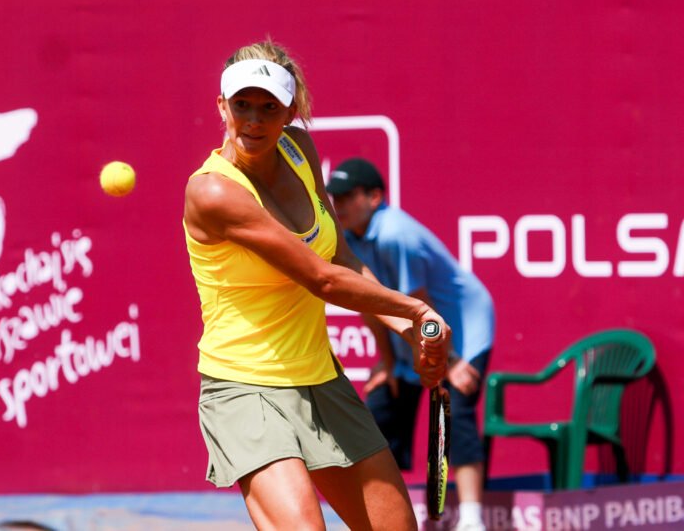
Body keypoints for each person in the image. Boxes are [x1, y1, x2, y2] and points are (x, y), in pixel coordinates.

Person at [183, 39, 451, 530]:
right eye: (242, 104)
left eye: (269, 107)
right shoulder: (213, 191)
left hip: (320, 378)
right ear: (222, 106)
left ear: (290, 112)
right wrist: (416, 311)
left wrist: (408, 330)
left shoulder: (298, 148)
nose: (254, 120)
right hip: (244, 386)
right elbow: (322, 279)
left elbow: (341, 258)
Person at [326, 158, 495, 531]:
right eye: (335, 198)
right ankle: (387, 514)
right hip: (417, 337)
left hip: (463, 333)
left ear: (374, 197)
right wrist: (387, 363)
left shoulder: (395, 234)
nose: (340, 205)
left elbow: (421, 307)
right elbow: (370, 305)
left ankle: (471, 520)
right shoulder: (349, 238)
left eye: (348, 196)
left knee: (452, 410)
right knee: (381, 408)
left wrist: (450, 362)